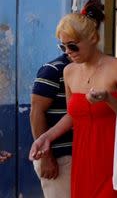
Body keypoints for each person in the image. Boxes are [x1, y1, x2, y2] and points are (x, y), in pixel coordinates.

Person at [29, 0, 117, 198]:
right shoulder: (69, 72)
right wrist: (46, 137)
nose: (69, 53)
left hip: (114, 158)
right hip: (82, 159)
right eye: (63, 48)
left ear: (93, 38)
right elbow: (72, 115)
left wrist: (109, 99)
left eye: (73, 46)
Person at [30, 50, 72, 197]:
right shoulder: (53, 70)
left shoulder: (87, 70)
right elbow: (36, 113)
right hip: (60, 159)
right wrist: (46, 158)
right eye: (65, 45)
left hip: (81, 154)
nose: (68, 50)